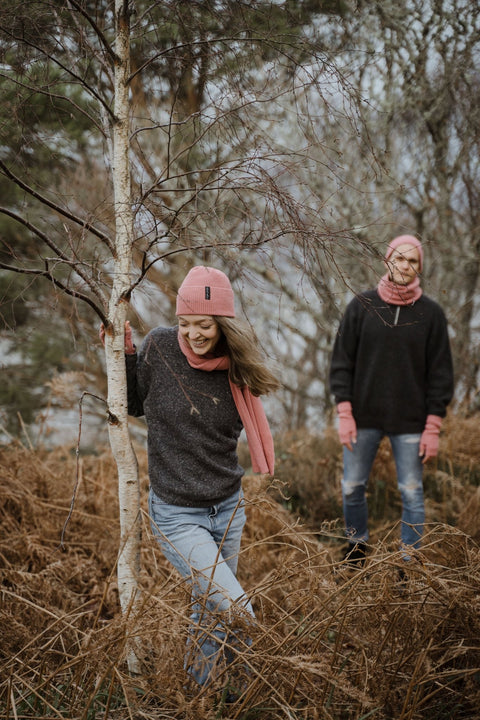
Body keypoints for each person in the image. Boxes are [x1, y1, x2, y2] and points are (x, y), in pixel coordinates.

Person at [120, 266, 279, 691]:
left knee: (209, 610)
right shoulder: (160, 346)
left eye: (204, 325)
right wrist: (124, 353)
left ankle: (211, 697)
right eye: (185, 323)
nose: (192, 334)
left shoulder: (237, 369)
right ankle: (235, 690)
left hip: (228, 508)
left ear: (223, 324)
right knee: (238, 609)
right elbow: (134, 403)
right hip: (176, 513)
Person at [329, 235, 454, 564]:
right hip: (363, 416)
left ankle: (408, 565)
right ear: (387, 261)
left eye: (412, 261)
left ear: (419, 268)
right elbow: (341, 362)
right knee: (352, 486)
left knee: (411, 491)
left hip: (410, 422)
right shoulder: (361, 306)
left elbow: (441, 374)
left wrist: (433, 426)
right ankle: (357, 554)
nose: (405, 266)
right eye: (399, 258)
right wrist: (344, 412)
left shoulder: (432, 315)